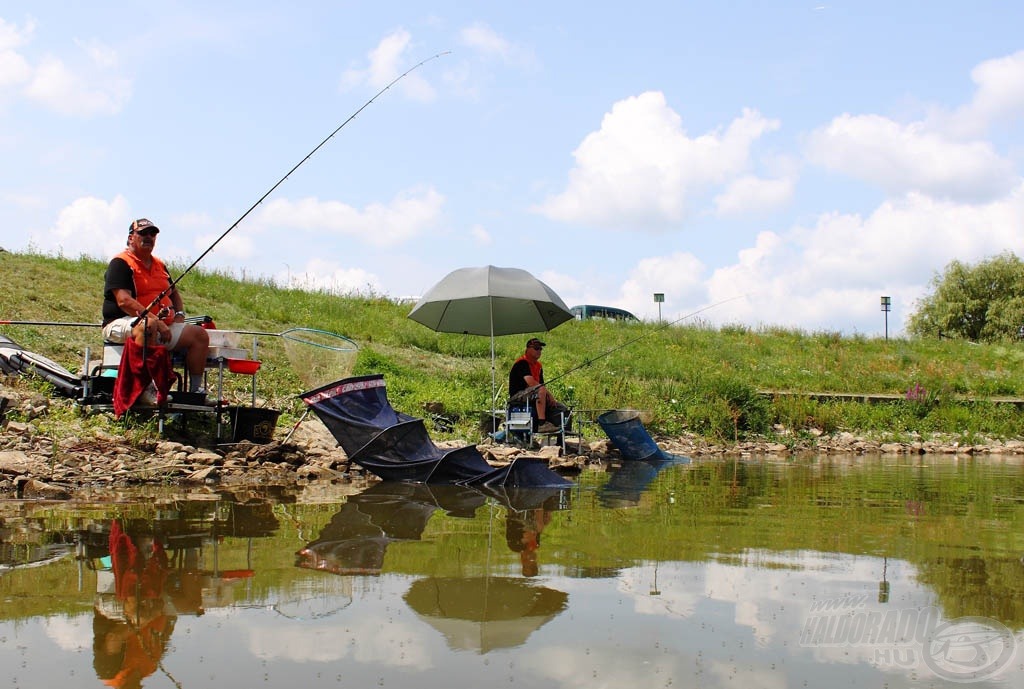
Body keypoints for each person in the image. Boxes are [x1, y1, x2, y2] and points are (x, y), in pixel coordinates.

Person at [102, 218, 210, 393]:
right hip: (121, 322)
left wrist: (180, 315)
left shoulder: (160, 264)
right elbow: (124, 301)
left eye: (152, 234)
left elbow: (174, 293)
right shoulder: (120, 263)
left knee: (199, 335)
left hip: (161, 326)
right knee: (148, 326)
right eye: (143, 233)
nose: (148, 237)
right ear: (131, 238)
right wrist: (156, 322)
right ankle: (145, 389)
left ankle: (196, 391)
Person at [508, 337, 567, 434]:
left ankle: (561, 436)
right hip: (518, 395)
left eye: (540, 349)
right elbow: (531, 383)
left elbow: (541, 384)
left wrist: (550, 398)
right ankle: (542, 424)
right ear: (528, 349)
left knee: (561, 408)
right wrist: (548, 394)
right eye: (536, 348)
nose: (539, 351)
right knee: (541, 390)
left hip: (532, 393)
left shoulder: (538, 366)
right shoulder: (522, 363)